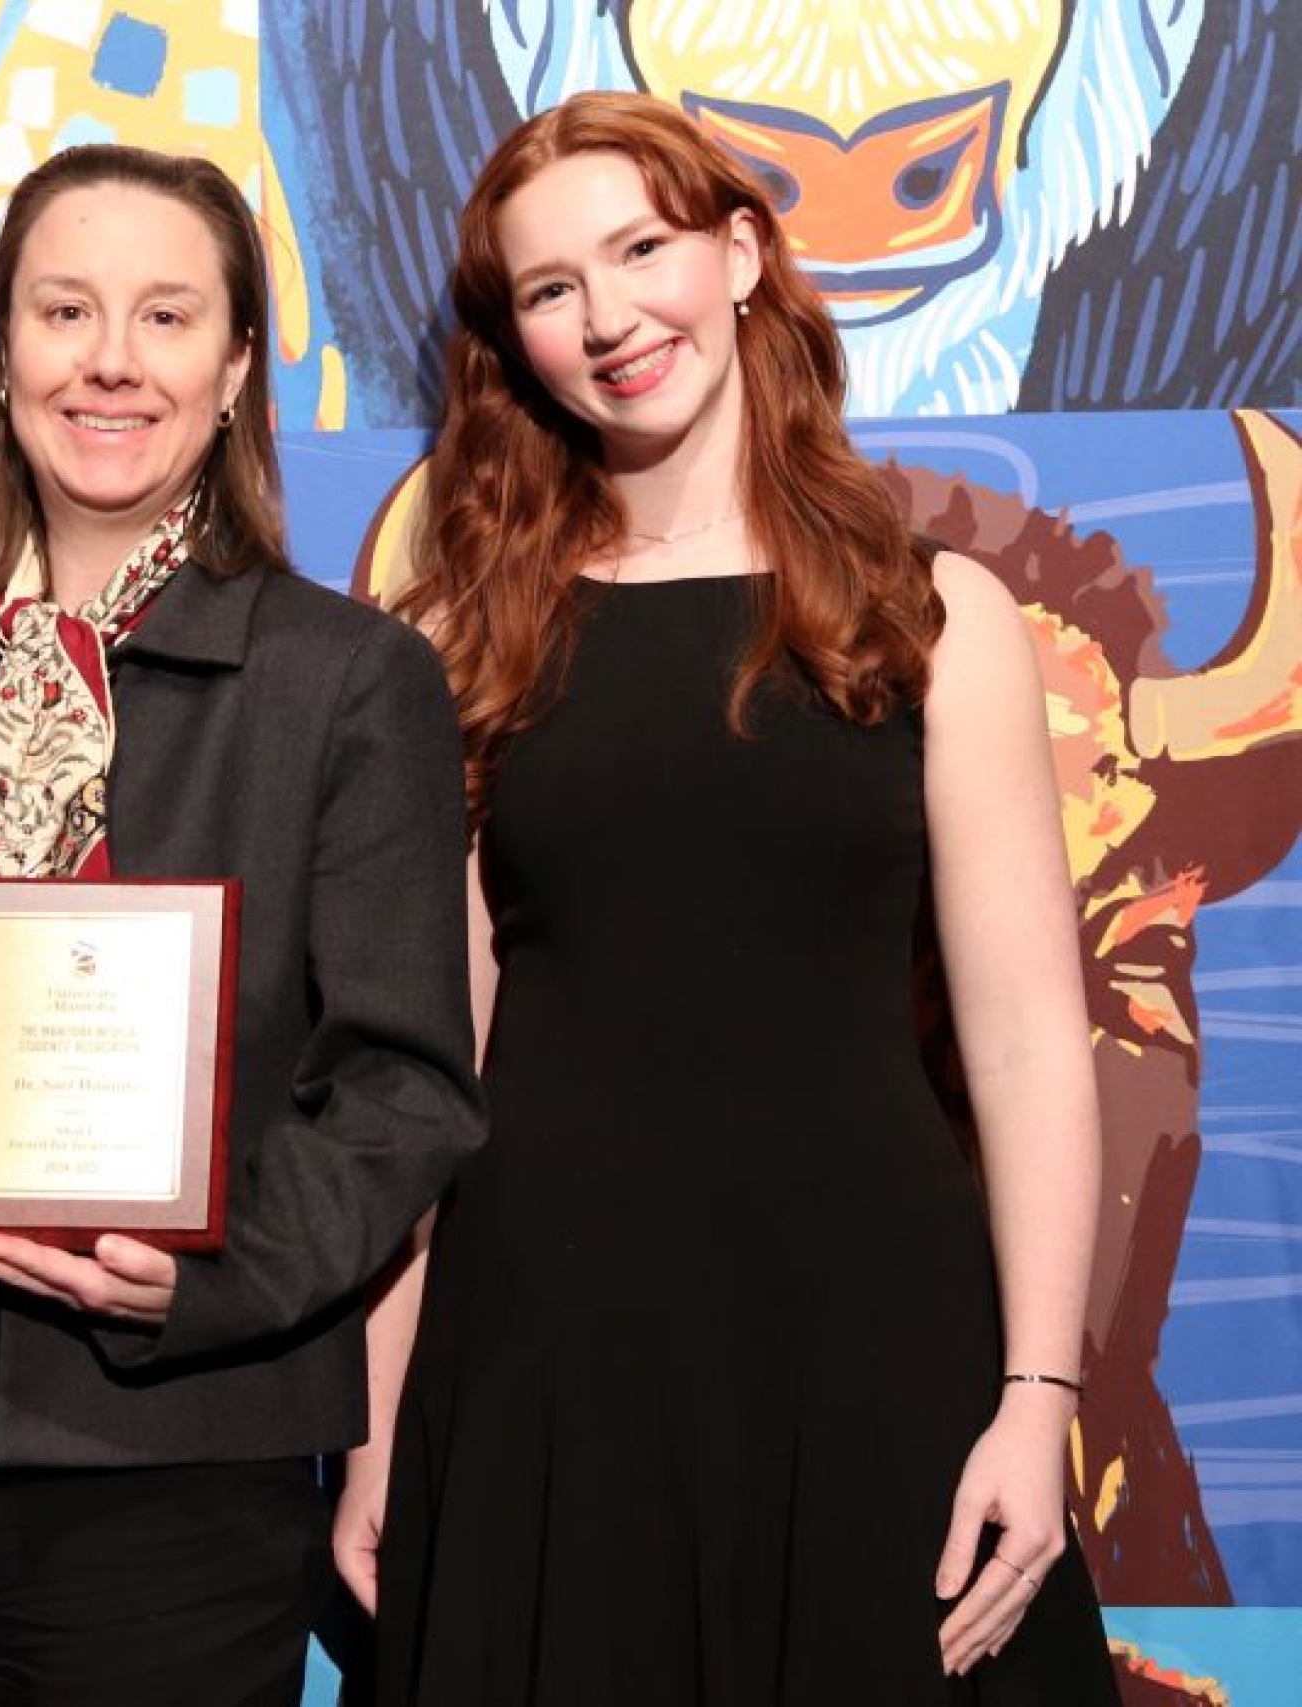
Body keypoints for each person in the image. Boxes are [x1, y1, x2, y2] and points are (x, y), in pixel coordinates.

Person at [345, 92, 1121, 1703]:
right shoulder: (459, 645)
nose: (611, 317)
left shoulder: (934, 618)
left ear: (744, 254)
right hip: (550, 1359)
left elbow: (1034, 1043)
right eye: (551, 288)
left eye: (642, 250)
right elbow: (429, 1069)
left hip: (868, 1343)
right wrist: (376, 1422)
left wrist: (1037, 1396)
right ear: (516, 342)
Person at [0, 143, 483, 1703]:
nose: (111, 360)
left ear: (239, 366)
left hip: (168, 1421)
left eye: (168, 317)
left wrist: (212, 1279)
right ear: (3, 356)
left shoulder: (345, 682)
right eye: (66, 311)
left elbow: (405, 1090)